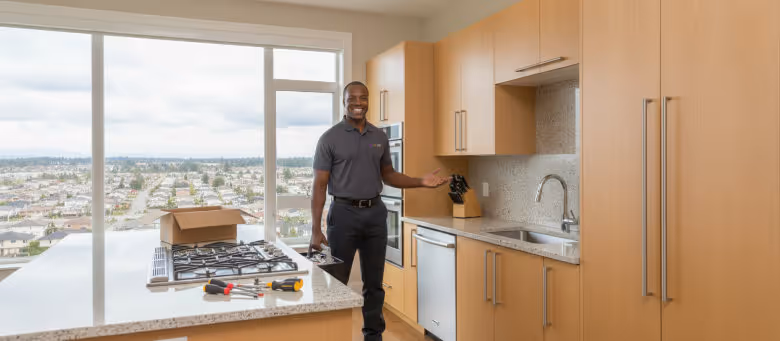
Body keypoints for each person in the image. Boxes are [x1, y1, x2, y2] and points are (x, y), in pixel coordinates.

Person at [310, 81, 448, 341]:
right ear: (344, 101)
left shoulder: (379, 137)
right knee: (335, 283)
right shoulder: (329, 138)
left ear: (368, 100)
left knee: (374, 284)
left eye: (363, 98)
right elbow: (319, 186)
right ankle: (332, 334)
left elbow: (389, 174)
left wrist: (420, 181)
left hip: (374, 214)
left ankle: (373, 336)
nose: (358, 103)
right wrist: (315, 230)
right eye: (352, 98)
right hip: (343, 215)